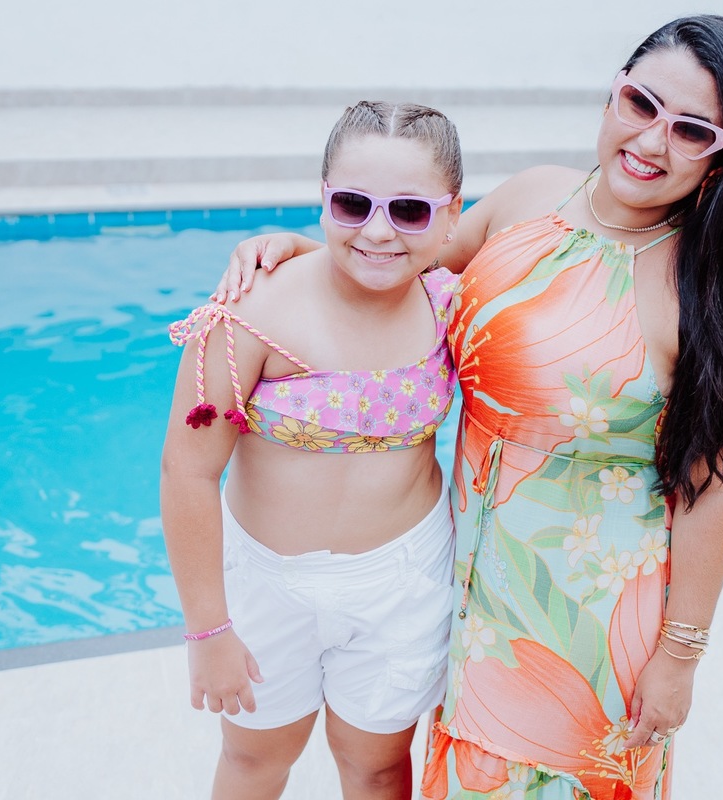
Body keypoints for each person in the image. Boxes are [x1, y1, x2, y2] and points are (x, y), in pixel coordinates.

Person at [213, 14, 723, 799]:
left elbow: (714, 494)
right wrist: (297, 251)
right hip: (468, 597)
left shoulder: (710, 297)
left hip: (584, 619)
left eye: (691, 131)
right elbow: (406, 261)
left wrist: (679, 657)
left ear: (722, 159)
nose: (652, 141)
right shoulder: (532, 197)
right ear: (613, 94)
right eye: (641, 104)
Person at [160, 100, 465, 800]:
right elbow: (188, 470)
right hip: (266, 582)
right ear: (323, 199)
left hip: (402, 581)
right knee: (255, 761)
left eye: (410, 211)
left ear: (450, 214)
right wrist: (208, 630)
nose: (379, 231)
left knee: (378, 768)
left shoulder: (452, 303)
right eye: (352, 204)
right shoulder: (250, 312)